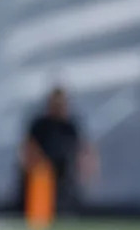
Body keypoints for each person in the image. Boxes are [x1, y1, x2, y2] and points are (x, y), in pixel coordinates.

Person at [19, 87, 96, 215]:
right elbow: (29, 148)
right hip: (43, 176)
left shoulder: (70, 126)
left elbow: (84, 150)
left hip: (65, 179)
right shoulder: (40, 125)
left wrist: (86, 169)